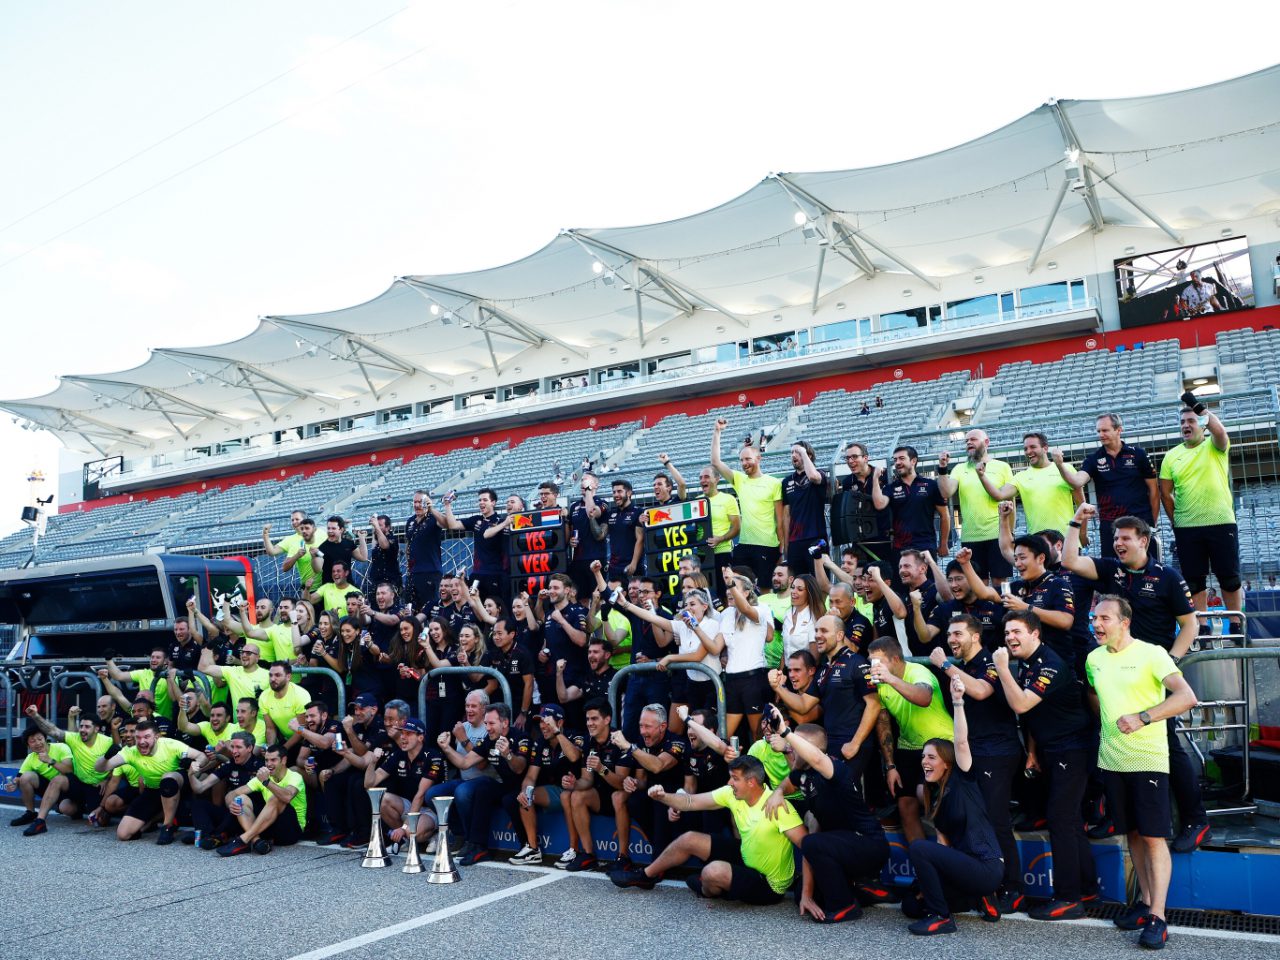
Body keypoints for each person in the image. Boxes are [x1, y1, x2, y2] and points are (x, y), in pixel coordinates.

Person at [1061, 506, 1208, 852]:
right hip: (1115, 672)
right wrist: (1075, 521)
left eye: (1125, 537)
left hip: (1151, 674)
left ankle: (1196, 820)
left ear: (1144, 541)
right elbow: (1069, 560)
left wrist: (1169, 661)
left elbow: (1191, 624)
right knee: (1112, 738)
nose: (1118, 543)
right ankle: (1118, 815)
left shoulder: (1168, 576)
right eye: (1115, 537)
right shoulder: (1111, 570)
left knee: (1169, 747)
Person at [1085, 596, 1198, 949]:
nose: (1096, 624)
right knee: (1131, 833)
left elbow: (1186, 697)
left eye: (1104, 618)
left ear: (1125, 622)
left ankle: (1159, 917)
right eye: (1093, 618)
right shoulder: (1093, 658)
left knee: (1152, 837)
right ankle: (1145, 902)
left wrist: (1143, 717)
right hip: (1112, 760)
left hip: (1148, 759)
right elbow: (1096, 695)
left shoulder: (1152, 653)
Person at [992, 610, 1097, 919]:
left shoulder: (1049, 664)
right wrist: (1033, 751)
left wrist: (1001, 669)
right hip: (1051, 748)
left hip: (1073, 747)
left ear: (1035, 634)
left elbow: (1022, 703)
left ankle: (1069, 898)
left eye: (1017, 632)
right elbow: (1032, 715)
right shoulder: (1025, 664)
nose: (1010, 637)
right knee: (1071, 819)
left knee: (1061, 818)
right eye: (1007, 632)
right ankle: (1088, 888)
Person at [610, 755, 807, 904]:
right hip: (746, 856)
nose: (729, 783)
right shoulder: (732, 794)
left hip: (769, 885)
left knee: (712, 872)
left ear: (751, 782)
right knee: (689, 839)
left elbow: (809, 847)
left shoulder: (777, 806)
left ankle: (707, 888)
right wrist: (663, 797)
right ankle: (645, 877)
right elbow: (690, 801)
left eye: (734, 779)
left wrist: (806, 894)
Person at [930, 615, 1023, 911]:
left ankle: (1014, 886)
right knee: (970, 819)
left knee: (996, 819)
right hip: (971, 752)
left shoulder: (991, 660)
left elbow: (981, 691)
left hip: (998, 751)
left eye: (958, 634)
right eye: (949, 634)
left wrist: (945, 665)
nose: (952, 639)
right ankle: (983, 886)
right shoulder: (961, 666)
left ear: (976, 636)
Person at [761, 711, 889, 923]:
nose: (790, 748)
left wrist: (785, 731)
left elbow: (817, 759)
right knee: (806, 890)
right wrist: (778, 792)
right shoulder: (804, 773)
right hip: (840, 848)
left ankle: (845, 907)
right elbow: (791, 780)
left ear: (810, 750)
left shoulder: (834, 769)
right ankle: (862, 889)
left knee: (811, 842)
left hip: (869, 845)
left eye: (795, 746)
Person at [901, 677, 1005, 936]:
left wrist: (958, 701)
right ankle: (978, 898)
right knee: (912, 905)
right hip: (964, 870)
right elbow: (943, 847)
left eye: (931, 757)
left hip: (986, 866)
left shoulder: (963, 779)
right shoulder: (935, 799)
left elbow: (960, 742)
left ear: (946, 762)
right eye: (923, 756)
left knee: (918, 847)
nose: (925, 761)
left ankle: (942, 917)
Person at [1159, 392, 1243, 617]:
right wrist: (1177, 522)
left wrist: (1198, 407)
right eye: (1182, 422)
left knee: (1230, 578)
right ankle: (1202, 628)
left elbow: (1221, 432)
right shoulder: (1171, 456)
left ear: (1203, 426)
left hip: (1221, 522)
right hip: (1187, 527)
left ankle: (1237, 624)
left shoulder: (1215, 446)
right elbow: (1165, 494)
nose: (1186, 425)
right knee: (1194, 582)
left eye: (1191, 421)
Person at [772, 615, 879, 781]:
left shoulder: (857, 663)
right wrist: (778, 687)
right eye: (816, 631)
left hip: (853, 743)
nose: (817, 635)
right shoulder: (823, 670)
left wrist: (855, 743)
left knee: (843, 795)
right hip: (830, 743)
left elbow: (874, 705)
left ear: (839, 635)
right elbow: (803, 705)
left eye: (824, 631)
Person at [868, 636, 953, 844]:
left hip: (941, 742)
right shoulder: (880, 682)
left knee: (939, 804)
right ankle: (923, 863)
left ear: (895, 659)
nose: (873, 666)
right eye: (871, 661)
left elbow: (924, 698)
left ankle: (951, 862)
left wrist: (890, 679)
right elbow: (883, 723)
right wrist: (890, 765)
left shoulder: (917, 671)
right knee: (905, 804)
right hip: (908, 745)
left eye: (878, 661)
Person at [436, 702, 533, 865]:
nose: (487, 728)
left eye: (492, 723)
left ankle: (527, 846)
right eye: (486, 723)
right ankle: (478, 847)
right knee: (482, 787)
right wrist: (446, 749)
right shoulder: (489, 739)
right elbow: (465, 763)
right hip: (505, 786)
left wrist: (508, 754)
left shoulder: (521, 738)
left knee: (509, 799)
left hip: (524, 787)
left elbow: (519, 768)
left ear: (505, 723)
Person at [1053, 414, 1160, 560]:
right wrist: (1060, 464)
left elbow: (1154, 490)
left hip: (1140, 523)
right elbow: (1077, 482)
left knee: (1147, 568)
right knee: (1113, 572)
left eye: (1105, 430)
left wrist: (1151, 523)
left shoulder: (1138, 454)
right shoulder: (1094, 459)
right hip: (1110, 526)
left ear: (1118, 430)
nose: (1101, 435)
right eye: (1098, 431)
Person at [960, 538, 1079, 668]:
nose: (1017, 564)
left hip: (1057, 664)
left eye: (1022, 558)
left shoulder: (1058, 584)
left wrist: (1026, 608)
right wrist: (966, 564)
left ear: (1040, 558)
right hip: (1028, 666)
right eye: (1015, 559)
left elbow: (1066, 621)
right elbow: (984, 593)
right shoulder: (1017, 587)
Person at [95, 720, 207, 844]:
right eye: (138, 737)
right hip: (152, 790)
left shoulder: (170, 745)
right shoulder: (130, 752)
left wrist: (196, 764)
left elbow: (202, 756)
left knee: (167, 779)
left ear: (157, 737)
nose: (142, 741)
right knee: (123, 834)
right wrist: (106, 757)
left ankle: (167, 826)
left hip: (177, 785)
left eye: (147, 737)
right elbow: (100, 768)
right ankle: (153, 819)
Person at [560, 698, 633, 872]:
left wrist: (601, 768)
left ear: (607, 719)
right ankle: (588, 855)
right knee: (576, 795)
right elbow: (587, 780)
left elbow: (622, 784)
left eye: (594, 719)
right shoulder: (588, 742)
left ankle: (623, 857)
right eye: (587, 719)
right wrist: (574, 784)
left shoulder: (619, 740)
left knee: (617, 796)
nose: (589, 723)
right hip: (600, 795)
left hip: (623, 793)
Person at [507, 704, 584, 865]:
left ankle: (574, 850)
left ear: (560, 723)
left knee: (567, 795)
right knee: (527, 795)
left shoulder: (574, 736)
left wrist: (557, 732)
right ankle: (533, 849)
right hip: (557, 790)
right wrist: (525, 791)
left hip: (580, 789)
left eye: (547, 721)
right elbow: (530, 776)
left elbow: (574, 757)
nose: (542, 726)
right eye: (540, 721)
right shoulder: (542, 742)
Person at [712, 416, 783, 587]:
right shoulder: (740, 479)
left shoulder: (774, 483)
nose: (744, 463)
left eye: (748, 459)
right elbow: (715, 462)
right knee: (736, 586)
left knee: (765, 589)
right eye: (742, 460)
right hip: (744, 545)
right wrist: (717, 432)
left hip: (767, 545)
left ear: (759, 459)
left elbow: (781, 520)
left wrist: (782, 549)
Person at [703, 568, 771, 743]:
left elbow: (746, 608)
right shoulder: (726, 614)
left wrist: (731, 583)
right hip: (732, 681)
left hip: (754, 680)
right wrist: (694, 626)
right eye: (727, 589)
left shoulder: (760, 609)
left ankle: (760, 769)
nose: (729, 591)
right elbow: (715, 648)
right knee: (723, 736)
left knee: (758, 735)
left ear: (747, 592)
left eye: (733, 587)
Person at [360, 718, 445, 856]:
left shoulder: (433, 756)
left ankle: (433, 835)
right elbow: (369, 784)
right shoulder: (398, 754)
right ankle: (404, 839)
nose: (403, 737)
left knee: (415, 833)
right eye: (402, 733)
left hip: (429, 809)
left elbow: (421, 795)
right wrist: (372, 762)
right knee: (383, 798)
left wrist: (404, 827)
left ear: (420, 737)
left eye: (409, 734)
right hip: (409, 805)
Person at [939, 430, 1013, 584]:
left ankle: (1003, 609)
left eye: (973, 439)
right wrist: (942, 468)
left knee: (1001, 583)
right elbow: (946, 491)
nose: (969, 443)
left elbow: (1004, 497)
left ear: (986, 442)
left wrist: (1009, 533)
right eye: (966, 441)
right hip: (971, 536)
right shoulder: (959, 469)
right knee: (979, 584)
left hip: (997, 535)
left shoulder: (1002, 467)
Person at [23, 704, 114, 829]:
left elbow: (117, 761)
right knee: (59, 783)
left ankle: (83, 809)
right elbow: (52, 730)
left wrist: (107, 779)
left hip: (97, 786)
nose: (82, 729)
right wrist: (35, 715)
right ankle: (40, 821)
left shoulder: (107, 741)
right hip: (78, 782)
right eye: (81, 726)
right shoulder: (75, 738)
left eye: (87, 727)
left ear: (96, 729)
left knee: (100, 822)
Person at [217, 742, 309, 855]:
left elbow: (287, 796)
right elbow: (233, 794)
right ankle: (257, 841)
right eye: (266, 760)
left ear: (283, 760)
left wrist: (266, 782)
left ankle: (243, 840)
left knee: (277, 798)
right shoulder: (263, 777)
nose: (269, 764)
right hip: (269, 828)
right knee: (240, 799)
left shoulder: (294, 776)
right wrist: (231, 803)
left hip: (291, 831)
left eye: (273, 760)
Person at [187, 730, 263, 849]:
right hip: (231, 810)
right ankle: (209, 835)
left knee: (238, 804)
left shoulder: (260, 766)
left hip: (251, 815)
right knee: (198, 804)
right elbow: (200, 788)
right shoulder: (230, 764)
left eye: (238, 747)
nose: (234, 751)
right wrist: (190, 775)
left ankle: (215, 836)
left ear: (250, 748)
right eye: (232, 747)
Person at [920, 558, 1004, 652]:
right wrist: (916, 608)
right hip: (954, 665)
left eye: (958, 579)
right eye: (950, 580)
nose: (953, 585)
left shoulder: (995, 606)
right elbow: (925, 637)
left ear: (974, 579)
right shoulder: (944, 609)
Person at [883, 445, 949, 558]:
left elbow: (945, 515)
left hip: (926, 546)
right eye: (895, 460)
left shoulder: (930, 485)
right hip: (900, 548)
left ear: (913, 461)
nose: (897, 462)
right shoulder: (889, 489)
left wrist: (943, 544)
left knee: (928, 577)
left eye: (902, 458)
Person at [443, 488, 507, 600]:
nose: (481, 502)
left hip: (495, 573)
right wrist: (447, 505)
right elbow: (453, 525)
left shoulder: (501, 522)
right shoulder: (476, 520)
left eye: (485, 500)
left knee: (495, 607)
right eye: (479, 500)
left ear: (493, 502)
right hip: (477, 573)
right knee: (475, 606)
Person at [9, 727, 73, 834]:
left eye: (39, 739)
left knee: (66, 809)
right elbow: (19, 776)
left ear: (45, 738)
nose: (37, 743)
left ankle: (79, 809)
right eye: (32, 741)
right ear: (28, 746)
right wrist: (14, 784)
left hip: (68, 788)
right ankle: (31, 813)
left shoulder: (61, 747)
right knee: (25, 777)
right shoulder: (31, 757)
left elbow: (69, 770)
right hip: (49, 789)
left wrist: (50, 760)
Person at [780, 441, 829, 576]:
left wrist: (803, 452)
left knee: (820, 582)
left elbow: (813, 477)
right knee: (797, 581)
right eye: (792, 452)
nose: (793, 455)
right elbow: (786, 515)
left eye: (798, 452)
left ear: (809, 455)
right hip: (795, 541)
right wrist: (786, 543)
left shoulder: (819, 474)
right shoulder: (786, 482)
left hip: (816, 537)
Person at [567, 474, 610, 598]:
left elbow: (591, 512)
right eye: (581, 480)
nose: (582, 482)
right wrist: (571, 540)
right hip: (578, 558)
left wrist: (589, 492)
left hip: (596, 557)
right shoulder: (574, 506)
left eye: (585, 480)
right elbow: (571, 530)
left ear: (595, 485)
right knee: (581, 596)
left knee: (597, 596)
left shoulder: (602, 503)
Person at [404, 490, 446, 609]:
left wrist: (431, 508)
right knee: (410, 609)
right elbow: (409, 542)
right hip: (413, 573)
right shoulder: (410, 521)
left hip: (430, 571)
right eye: (415, 502)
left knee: (430, 608)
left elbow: (446, 523)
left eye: (420, 502)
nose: (417, 505)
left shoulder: (433, 518)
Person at [264, 511, 323, 590]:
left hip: (328, 582)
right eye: (292, 520)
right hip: (310, 587)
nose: (294, 522)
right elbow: (272, 552)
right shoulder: (290, 540)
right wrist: (265, 534)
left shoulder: (321, 532)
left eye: (297, 519)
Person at [257, 662, 311, 749]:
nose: (272, 679)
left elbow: (303, 729)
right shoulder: (264, 696)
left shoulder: (300, 695)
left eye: (277, 675)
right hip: (286, 739)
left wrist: (283, 749)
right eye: (270, 675)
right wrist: (270, 749)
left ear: (288, 677)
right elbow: (270, 728)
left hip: (305, 741)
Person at [698, 464, 741, 561]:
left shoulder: (728, 499)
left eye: (707, 477)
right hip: (702, 554)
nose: (702, 480)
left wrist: (720, 539)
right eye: (700, 478)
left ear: (717, 479)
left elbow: (737, 528)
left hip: (723, 552)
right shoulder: (696, 501)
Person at [605, 478, 645, 580]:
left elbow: (640, 539)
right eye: (614, 492)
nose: (616, 495)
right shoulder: (610, 513)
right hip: (614, 567)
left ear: (629, 493)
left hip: (632, 566)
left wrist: (634, 563)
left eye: (619, 491)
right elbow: (600, 534)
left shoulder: (638, 512)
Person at [313, 515, 369, 586]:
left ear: (341, 530)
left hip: (348, 587)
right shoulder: (322, 548)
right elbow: (317, 569)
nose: (330, 531)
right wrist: (314, 557)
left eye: (333, 528)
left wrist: (362, 538)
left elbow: (363, 558)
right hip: (331, 589)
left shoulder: (348, 543)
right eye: (328, 528)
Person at [781, 573, 823, 661]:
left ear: (809, 593)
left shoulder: (814, 618)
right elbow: (785, 650)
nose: (793, 591)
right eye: (792, 587)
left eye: (799, 589)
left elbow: (815, 659)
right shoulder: (787, 614)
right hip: (787, 671)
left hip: (805, 672)